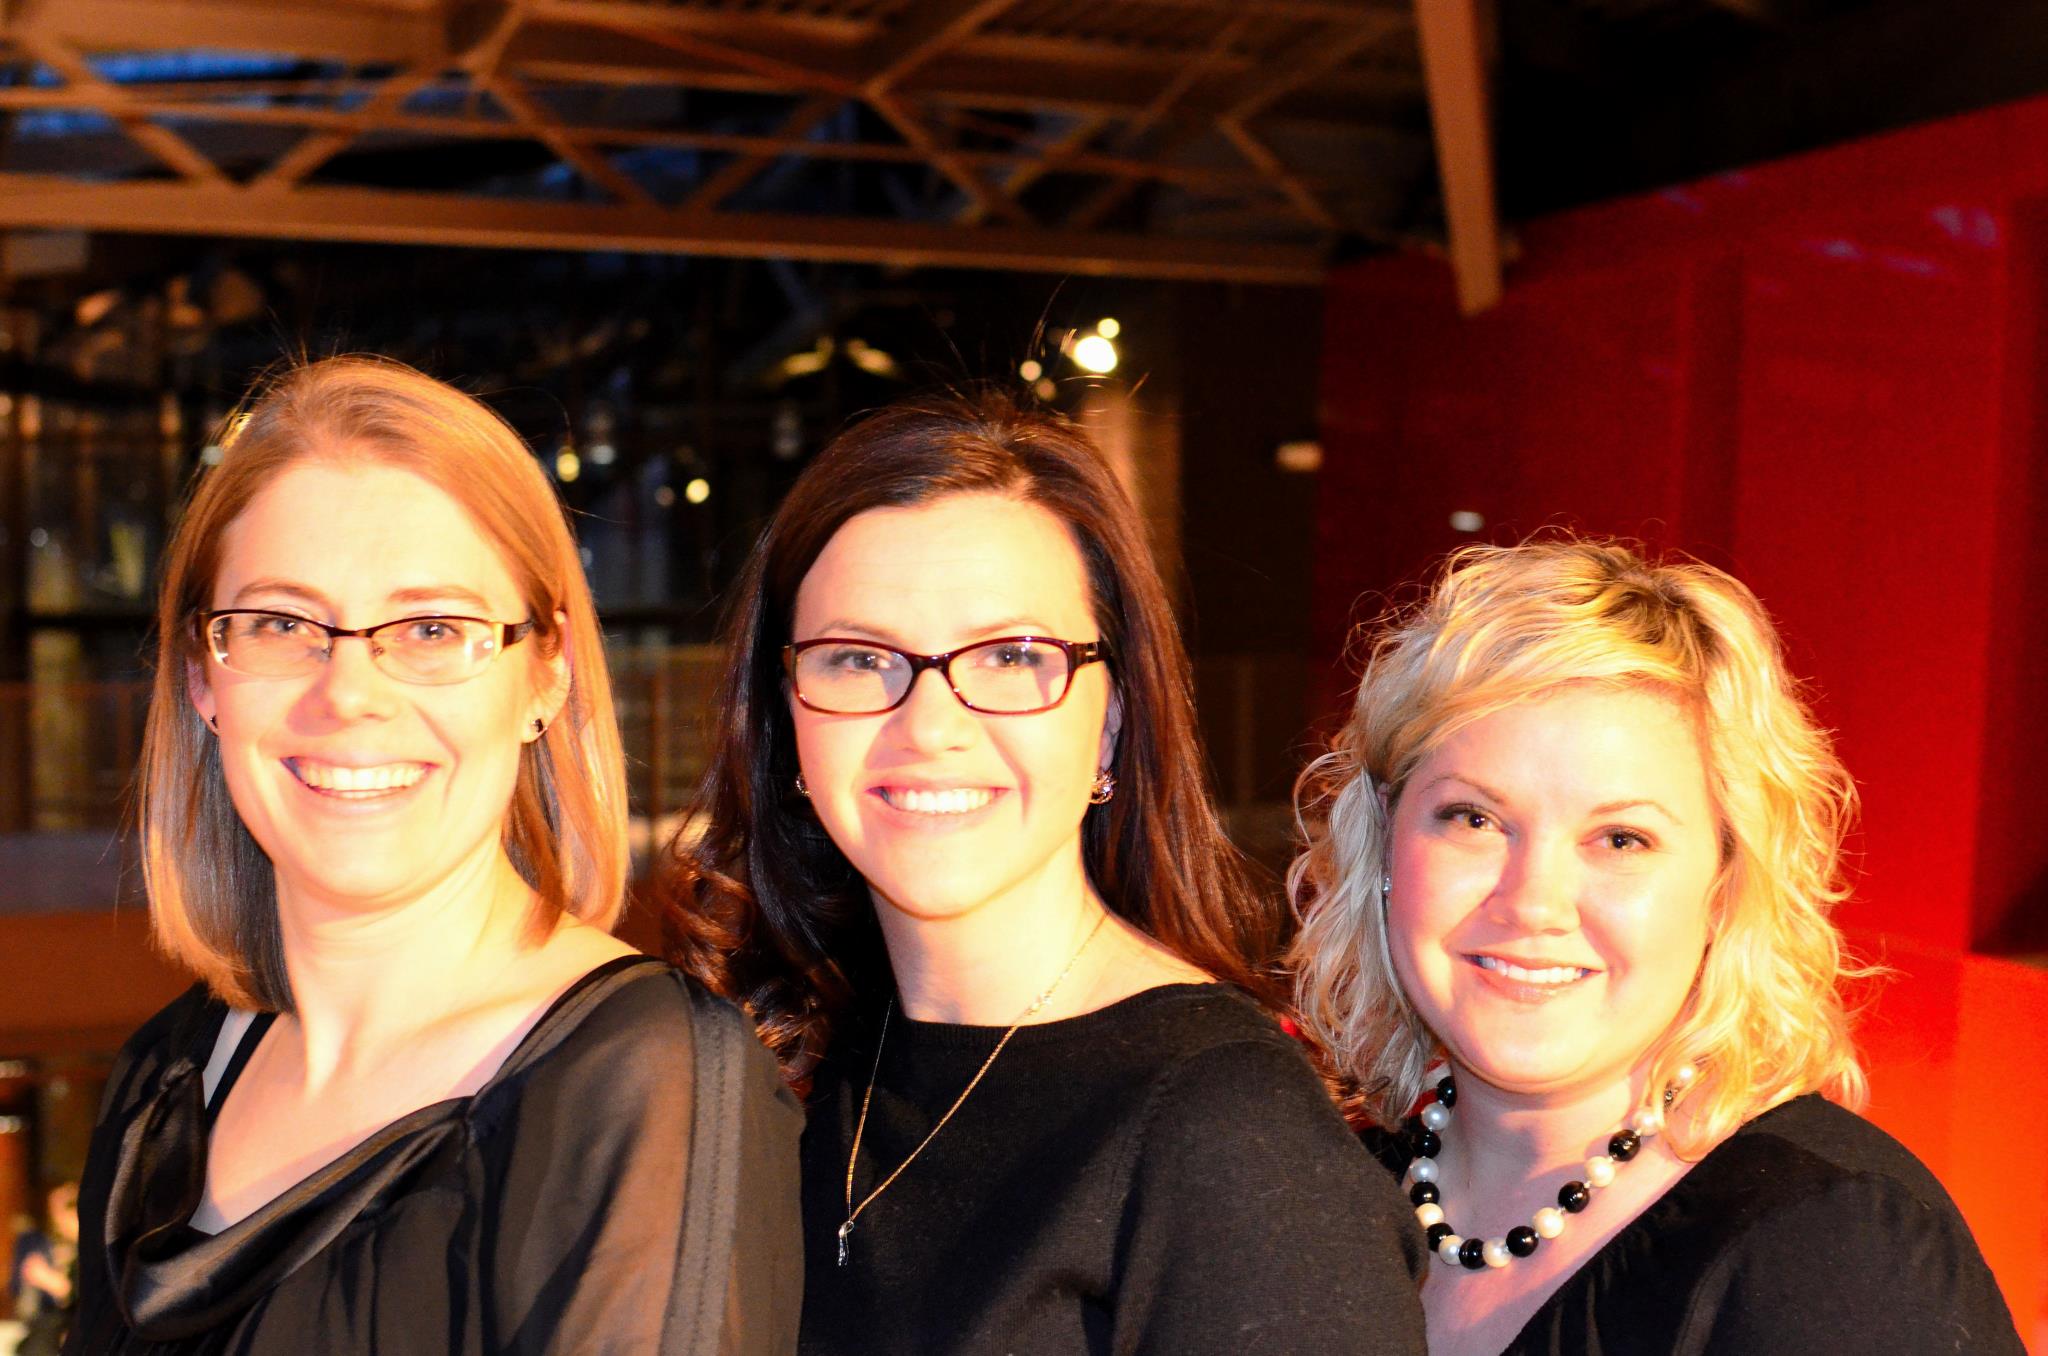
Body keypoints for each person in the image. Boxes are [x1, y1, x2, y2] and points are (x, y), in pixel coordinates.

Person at [659, 389, 1426, 1356]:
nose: (929, 728)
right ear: (787, 717)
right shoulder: (788, 1063)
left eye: (1013, 656)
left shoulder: (1229, 1132)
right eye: (858, 660)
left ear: (1112, 717)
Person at [66, 357, 802, 1355]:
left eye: (429, 628)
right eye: (282, 623)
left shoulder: (646, 1081)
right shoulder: (166, 1079)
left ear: (545, 674)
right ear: (203, 674)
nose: (350, 693)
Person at [1290, 538, 2023, 1355]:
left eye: (1622, 838)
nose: (1533, 902)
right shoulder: (1318, 1194)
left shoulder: (1832, 1255)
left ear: (1725, 886)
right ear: (1386, 839)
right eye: (1474, 818)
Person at [13, 1183, 78, 1356]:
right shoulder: (40, 1243)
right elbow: (17, 1289)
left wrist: (51, 1281)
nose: (57, 1217)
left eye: (65, 1208)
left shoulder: (95, 1249)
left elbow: (84, 1294)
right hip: (47, 1327)